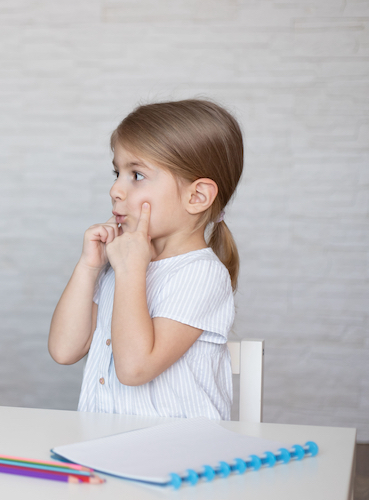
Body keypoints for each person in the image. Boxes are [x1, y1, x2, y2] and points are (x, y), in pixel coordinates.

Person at [48, 99, 244, 420]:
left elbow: (135, 369)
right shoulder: (121, 263)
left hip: (179, 446)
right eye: (117, 173)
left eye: (136, 175)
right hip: (107, 440)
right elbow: (64, 350)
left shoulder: (201, 274)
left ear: (197, 197)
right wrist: (88, 267)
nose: (115, 189)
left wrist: (129, 271)